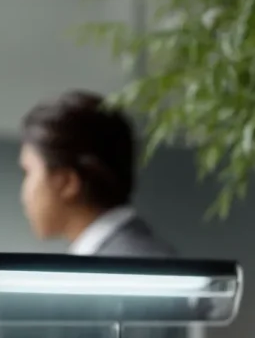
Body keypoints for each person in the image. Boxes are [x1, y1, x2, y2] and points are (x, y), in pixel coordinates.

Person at [19, 89, 175, 258]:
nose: (24, 194)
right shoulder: (128, 257)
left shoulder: (131, 263)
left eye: (28, 172)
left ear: (67, 182)